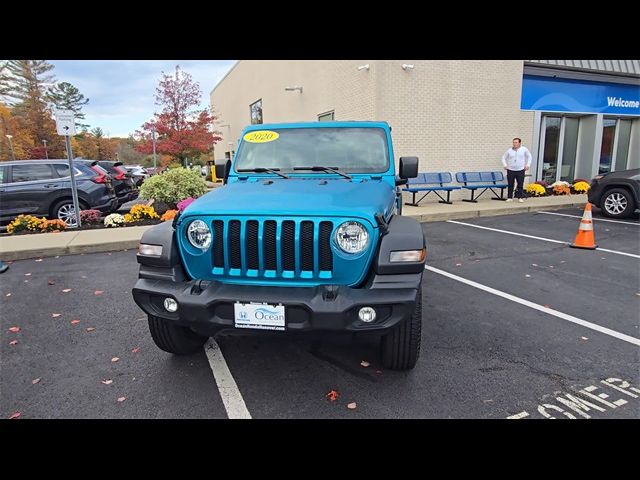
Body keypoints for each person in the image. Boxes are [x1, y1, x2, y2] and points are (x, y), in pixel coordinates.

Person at [501, 137, 532, 203]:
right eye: (513, 142)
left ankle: (520, 197)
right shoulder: (509, 150)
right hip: (510, 170)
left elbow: (529, 156)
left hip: (520, 170)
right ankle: (509, 197)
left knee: (520, 184)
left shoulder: (524, 149)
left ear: (519, 143)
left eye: (516, 142)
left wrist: (528, 165)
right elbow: (503, 157)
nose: (514, 144)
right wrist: (505, 165)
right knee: (510, 184)